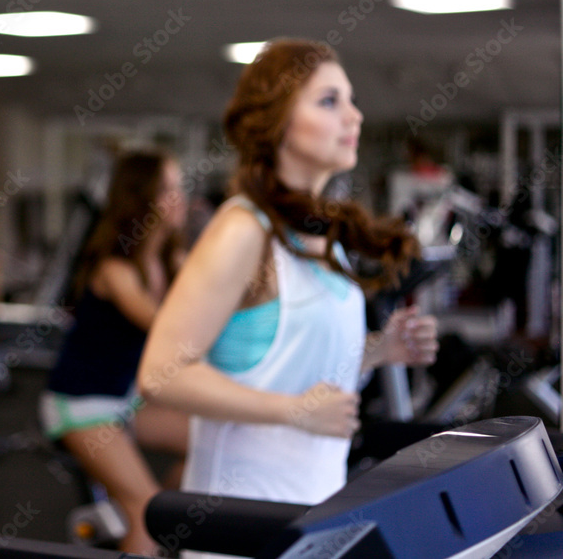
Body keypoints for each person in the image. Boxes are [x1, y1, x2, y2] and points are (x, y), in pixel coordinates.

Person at [137, 39, 439, 515]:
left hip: (313, 511)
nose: (353, 117)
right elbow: (159, 374)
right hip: (240, 523)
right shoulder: (242, 231)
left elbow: (292, 371)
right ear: (278, 123)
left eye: (351, 100)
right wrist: (291, 412)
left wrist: (379, 351)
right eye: (328, 101)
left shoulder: (320, 235)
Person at [39, 150, 191, 555]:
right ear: (141, 198)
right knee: (146, 510)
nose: (180, 198)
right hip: (81, 404)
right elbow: (170, 330)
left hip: (123, 399)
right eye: (168, 190)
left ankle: (150, 513)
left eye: (179, 187)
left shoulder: (170, 260)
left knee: (208, 443)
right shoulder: (115, 271)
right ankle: (143, 514)